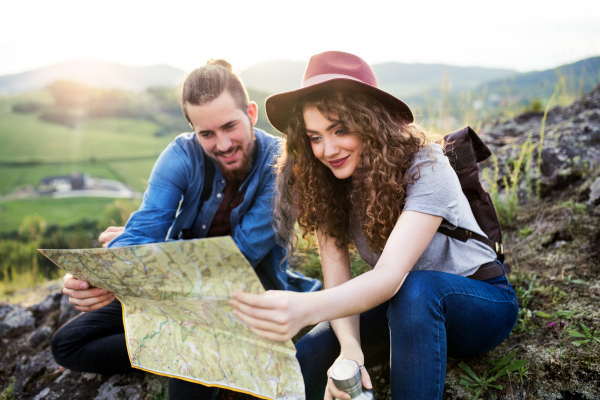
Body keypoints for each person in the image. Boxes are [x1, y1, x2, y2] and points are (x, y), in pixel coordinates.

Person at [231, 51, 519, 400]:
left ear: (370, 121)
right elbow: (336, 276)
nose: (328, 149)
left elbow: (389, 277)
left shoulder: (426, 165)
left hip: (479, 302)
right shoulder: (326, 183)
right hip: (403, 308)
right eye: (315, 136)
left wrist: (303, 307)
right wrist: (350, 348)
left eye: (340, 129)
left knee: (416, 289)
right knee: (311, 352)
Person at [52, 59, 321, 400]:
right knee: (68, 344)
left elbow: (236, 258)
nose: (222, 144)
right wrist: (93, 274)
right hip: (176, 294)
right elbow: (145, 229)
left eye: (230, 126)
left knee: (186, 377)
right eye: (206, 133)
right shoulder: (181, 154)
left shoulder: (281, 167)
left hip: (243, 298)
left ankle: (198, 350)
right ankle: (188, 349)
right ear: (192, 129)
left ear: (251, 113)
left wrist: (148, 256)